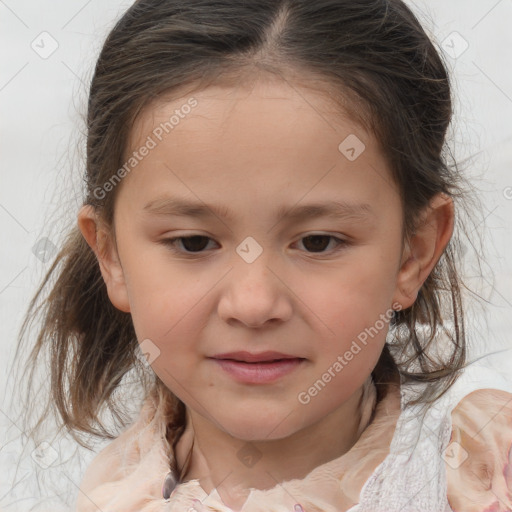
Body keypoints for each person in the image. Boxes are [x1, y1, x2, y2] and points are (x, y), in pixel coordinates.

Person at [13, 1, 512, 511]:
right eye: (193, 242)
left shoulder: (480, 469)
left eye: (318, 242)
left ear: (414, 252)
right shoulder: (91, 493)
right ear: (111, 255)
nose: (253, 304)